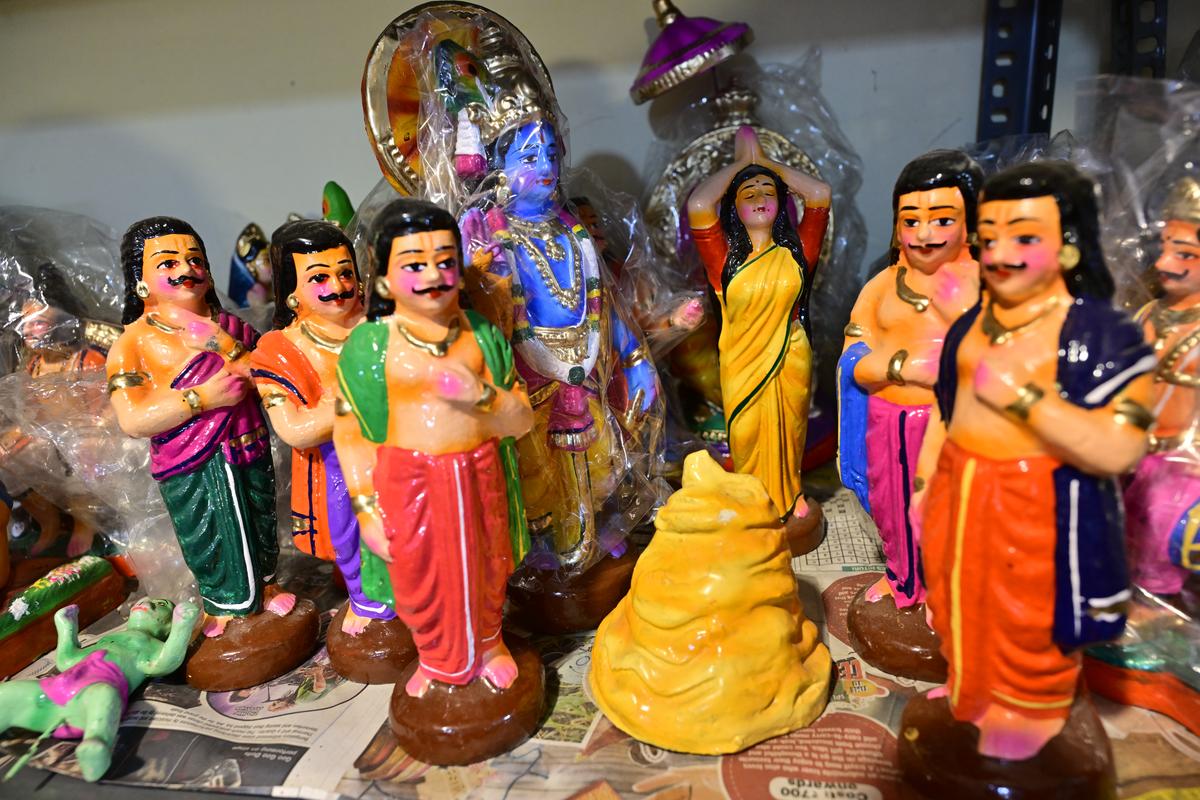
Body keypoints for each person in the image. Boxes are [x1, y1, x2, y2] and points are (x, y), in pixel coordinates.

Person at [909, 161, 1155, 760]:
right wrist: (923, 481)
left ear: (1068, 246)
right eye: (989, 237)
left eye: (1024, 237)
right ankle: (971, 688)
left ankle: (1030, 708)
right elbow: (948, 409)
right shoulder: (977, 321)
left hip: (1041, 500)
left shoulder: (1102, 333)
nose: (1000, 254)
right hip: (957, 484)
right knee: (956, 597)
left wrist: (1025, 401)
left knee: (1029, 614)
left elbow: (1121, 446)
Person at [333, 198, 534, 697]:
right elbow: (351, 434)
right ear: (382, 280)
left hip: (478, 471)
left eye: (445, 261)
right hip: (407, 480)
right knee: (418, 578)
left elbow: (520, 420)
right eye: (414, 265)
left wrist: (479, 395)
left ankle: (490, 644)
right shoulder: (369, 345)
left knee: (486, 567)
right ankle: (435, 657)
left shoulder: (480, 334)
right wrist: (366, 508)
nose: (433, 275)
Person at [105, 216, 292, 638]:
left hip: (249, 443)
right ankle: (223, 602)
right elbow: (133, 418)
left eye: (195, 259)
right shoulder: (132, 344)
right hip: (192, 460)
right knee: (210, 532)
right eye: (167, 263)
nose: (185, 270)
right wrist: (201, 399)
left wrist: (222, 345)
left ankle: (266, 584)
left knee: (261, 519)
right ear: (140, 282)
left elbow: (266, 370)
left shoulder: (229, 328)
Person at [839, 150, 982, 611]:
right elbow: (853, 358)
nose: (923, 234)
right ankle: (903, 579)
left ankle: (951, 592)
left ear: (972, 224)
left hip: (956, 428)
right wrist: (900, 365)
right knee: (893, 506)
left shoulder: (988, 285)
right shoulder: (881, 286)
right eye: (911, 219)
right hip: (888, 421)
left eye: (942, 220)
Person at [249, 220, 395, 635]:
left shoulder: (384, 324)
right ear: (291, 291)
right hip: (338, 466)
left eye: (345, 272)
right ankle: (368, 603)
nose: (338, 285)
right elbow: (295, 430)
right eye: (319, 277)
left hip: (403, 454)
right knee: (355, 540)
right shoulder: (279, 351)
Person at [686, 125, 830, 521]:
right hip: (743, 367)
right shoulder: (724, 259)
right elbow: (699, 203)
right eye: (749, 195)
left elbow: (819, 194)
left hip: (790, 360)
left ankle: (792, 493)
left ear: (782, 202)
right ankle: (753, 499)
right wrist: (740, 167)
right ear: (735, 207)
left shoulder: (798, 251)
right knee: (747, 435)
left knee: (791, 431)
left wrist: (767, 165)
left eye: (769, 192)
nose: (761, 199)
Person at [0, 598, 198, 782]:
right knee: (9, 692)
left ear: (167, 626)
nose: (147, 602)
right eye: (146, 599)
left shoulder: (152, 645)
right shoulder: (109, 639)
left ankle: (96, 746)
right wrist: (67, 627)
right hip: (57, 690)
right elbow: (67, 661)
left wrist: (183, 626)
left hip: (90, 698)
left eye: (160, 604)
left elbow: (164, 663)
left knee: (104, 695)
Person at [1124, 175, 1200, 598]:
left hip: (1182, 471)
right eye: (1166, 248)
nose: (1165, 264)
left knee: (1158, 553)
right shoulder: (1150, 313)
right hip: (1128, 455)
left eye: (1184, 253)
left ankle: (1153, 620)